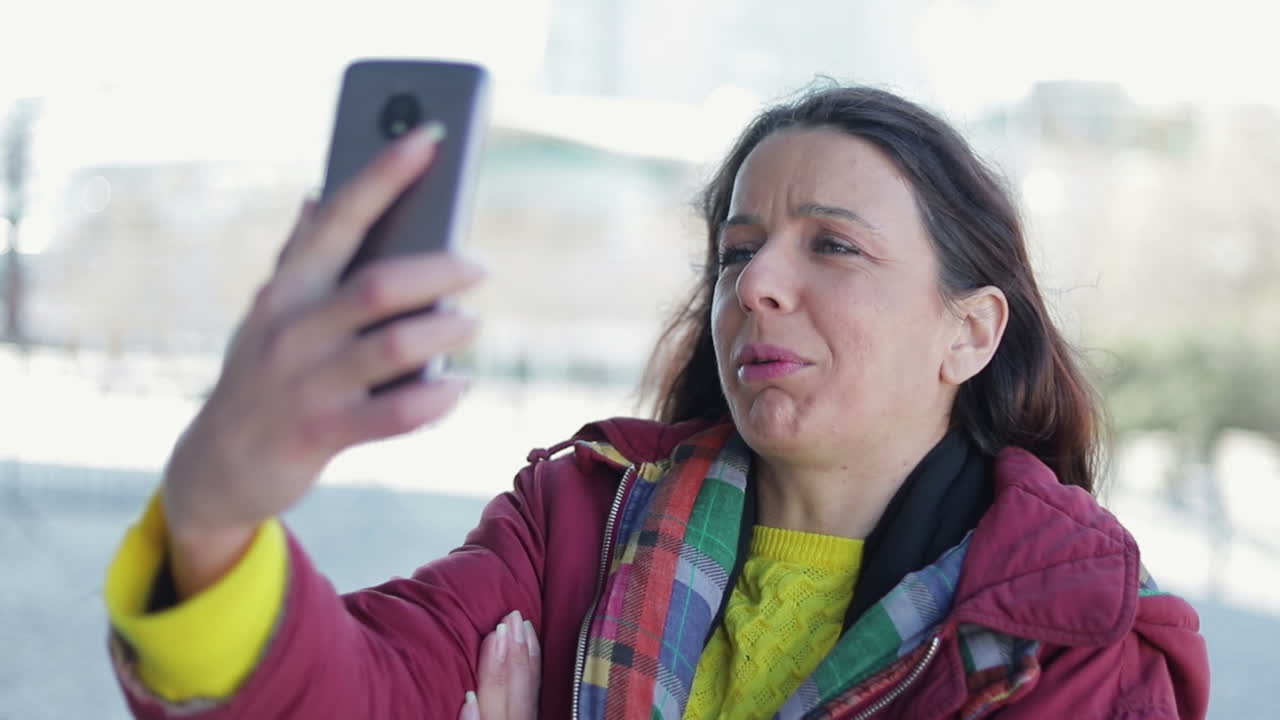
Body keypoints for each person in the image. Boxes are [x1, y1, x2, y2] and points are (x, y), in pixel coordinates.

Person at [104, 85, 1210, 720]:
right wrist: (210, 520)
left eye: (830, 244)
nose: (759, 284)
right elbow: (357, 691)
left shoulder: (1074, 642)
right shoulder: (572, 524)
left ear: (967, 333)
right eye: (737, 252)